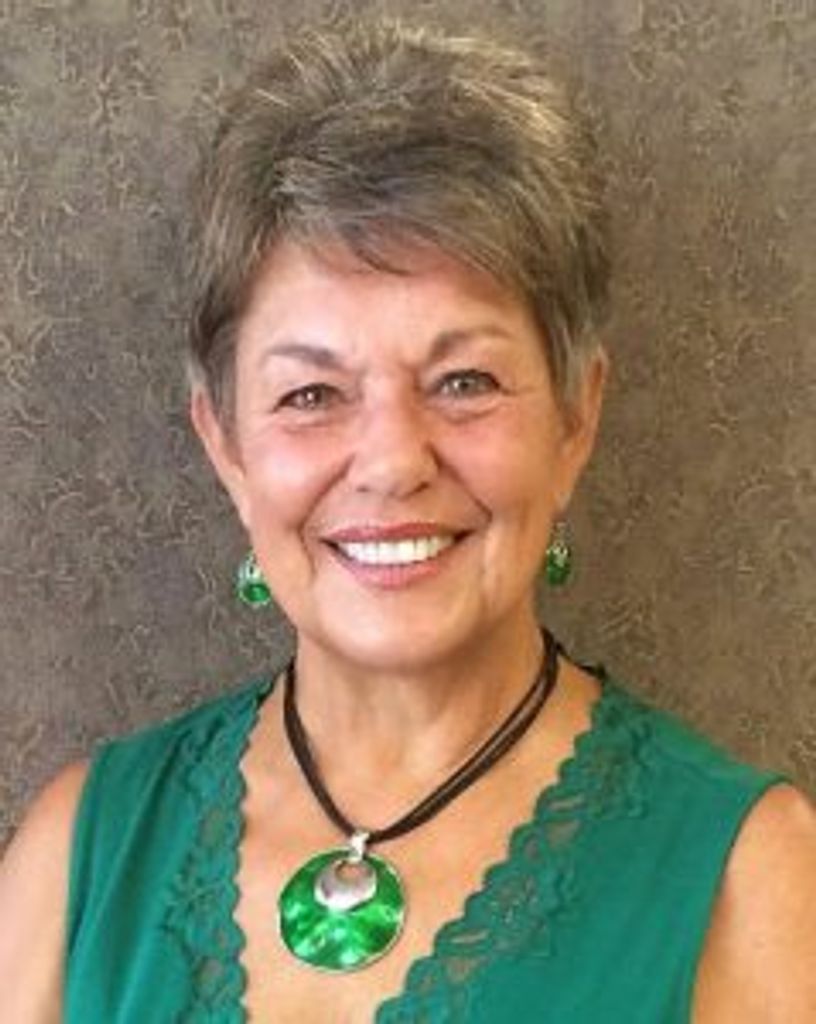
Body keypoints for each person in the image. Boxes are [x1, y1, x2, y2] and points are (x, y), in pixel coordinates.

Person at [1, 18, 815, 1024]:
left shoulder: (752, 880)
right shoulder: (74, 860)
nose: (392, 463)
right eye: (311, 394)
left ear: (576, 418)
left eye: (464, 381)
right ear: (226, 445)